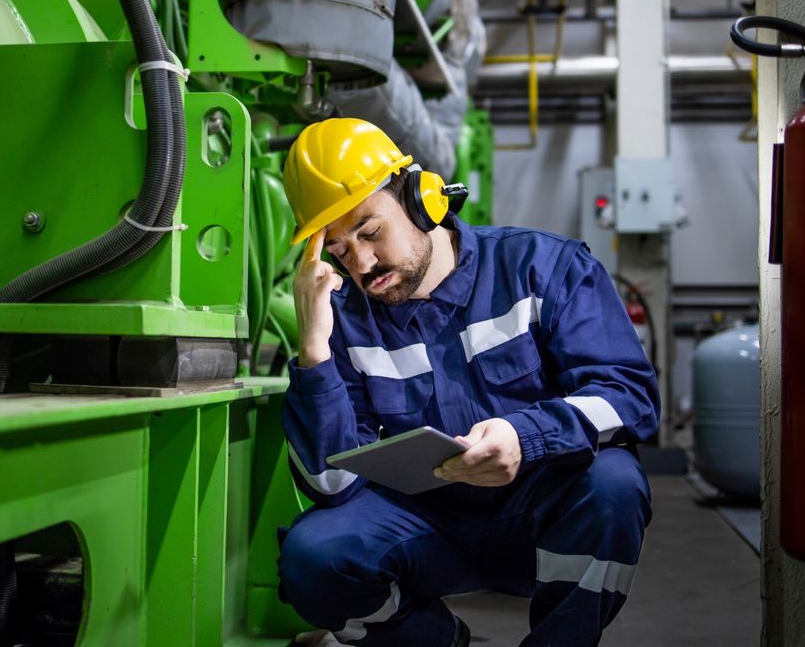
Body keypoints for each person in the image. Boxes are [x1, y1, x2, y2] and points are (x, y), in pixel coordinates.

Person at [277, 118, 659, 647]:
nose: (362, 263)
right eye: (339, 249)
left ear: (420, 201)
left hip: (541, 515)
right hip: (424, 531)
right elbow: (330, 486)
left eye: (369, 231)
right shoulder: (342, 322)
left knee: (613, 484)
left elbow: (629, 396)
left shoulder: (544, 269)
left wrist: (525, 437)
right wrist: (314, 350)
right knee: (313, 556)